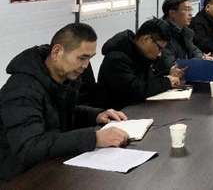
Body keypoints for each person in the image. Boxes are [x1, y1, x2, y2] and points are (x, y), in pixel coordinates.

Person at [0, 23, 130, 184]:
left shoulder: (64, 77)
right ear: (56, 52)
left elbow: (59, 113)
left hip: (49, 166)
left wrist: (96, 115)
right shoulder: (22, 91)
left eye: (90, 58)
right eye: (82, 58)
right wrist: (93, 138)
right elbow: (30, 147)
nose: (85, 65)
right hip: (18, 177)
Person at [95, 18, 184, 110]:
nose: (160, 54)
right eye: (159, 48)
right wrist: (166, 82)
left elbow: (147, 81)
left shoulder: (139, 55)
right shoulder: (116, 59)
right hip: (118, 113)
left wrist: (168, 73)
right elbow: (134, 91)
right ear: (145, 39)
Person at [154, 0, 213, 75]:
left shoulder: (185, 31)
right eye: (187, 9)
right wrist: (197, 62)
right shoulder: (162, 33)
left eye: (190, 9)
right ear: (172, 13)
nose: (191, 14)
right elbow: (171, 66)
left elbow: (193, 49)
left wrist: (202, 57)